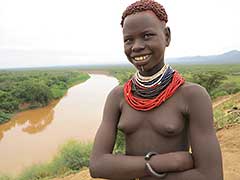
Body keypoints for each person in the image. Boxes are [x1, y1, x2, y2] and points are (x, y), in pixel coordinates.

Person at [89, 0, 223, 179]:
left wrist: (131, 170)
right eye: (128, 40)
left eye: (146, 36)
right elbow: (97, 166)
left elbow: (211, 175)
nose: (136, 46)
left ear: (166, 36)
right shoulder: (118, 97)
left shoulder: (192, 96)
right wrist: (165, 162)